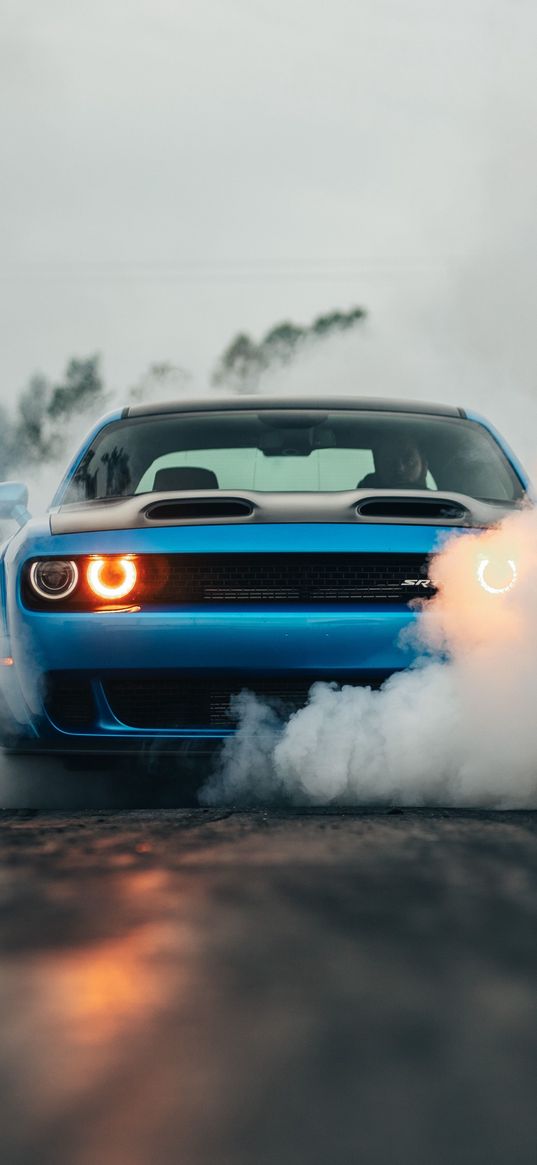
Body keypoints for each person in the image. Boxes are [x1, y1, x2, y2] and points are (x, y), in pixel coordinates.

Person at [358, 434, 429, 489]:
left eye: (409, 461)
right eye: (389, 460)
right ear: (377, 465)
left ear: (424, 465)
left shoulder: (437, 502)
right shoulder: (362, 499)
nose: (399, 469)